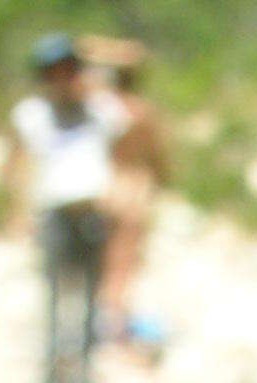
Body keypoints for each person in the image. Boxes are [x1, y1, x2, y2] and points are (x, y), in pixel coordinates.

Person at [6, 33, 128, 383]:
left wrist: (91, 54)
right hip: (54, 215)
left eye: (68, 70)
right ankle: (50, 373)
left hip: (93, 214)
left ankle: (85, 376)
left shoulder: (101, 111)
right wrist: (15, 212)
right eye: (53, 72)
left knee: (92, 300)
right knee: (54, 297)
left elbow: (136, 67)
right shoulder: (33, 115)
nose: (61, 79)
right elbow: (16, 165)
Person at [78, 35, 170, 347]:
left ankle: (99, 323)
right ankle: (113, 327)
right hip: (132, 189)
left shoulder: (96, 107)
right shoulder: (138, 110)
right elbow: (157, 156)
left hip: (103, 189)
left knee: (100, 263)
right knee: (123, 263)